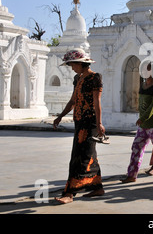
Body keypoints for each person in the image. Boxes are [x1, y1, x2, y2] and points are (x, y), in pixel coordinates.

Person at [53, 48, 106, 204]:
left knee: (79, 157)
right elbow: (73, 101)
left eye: (72, 64)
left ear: (81, 63)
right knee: (90, 156)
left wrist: (99, 123)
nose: (71, 68)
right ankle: (97, 187)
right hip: (79, 121)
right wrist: (60, 116)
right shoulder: (78, 79)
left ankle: (70, 193)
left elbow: (97, 102)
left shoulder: (95, 78)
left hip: (90, 123)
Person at [122, 61, 153, 184]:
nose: (144, 71)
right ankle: (132, 174)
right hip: (143, 124)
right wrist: (141, 118)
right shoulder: (142, 85)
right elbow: (141, 104)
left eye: (147, 69)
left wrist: (143, 118)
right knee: (136, 147)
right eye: (143, 69)